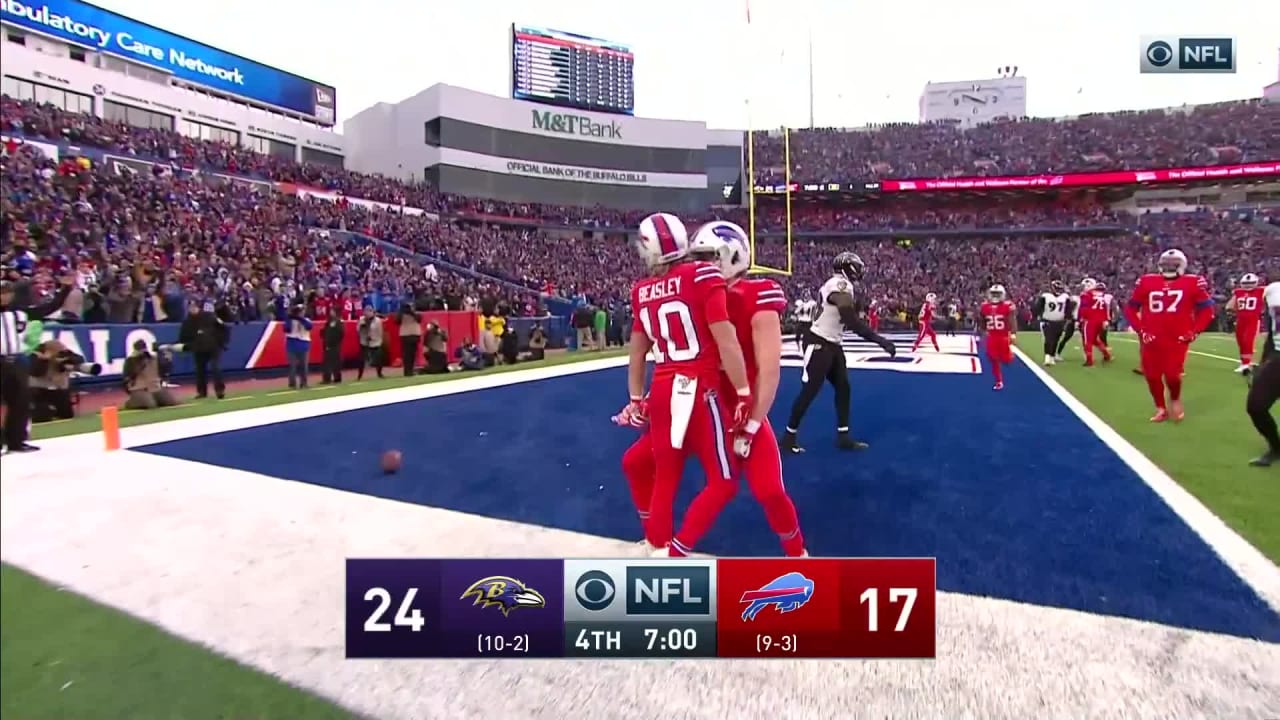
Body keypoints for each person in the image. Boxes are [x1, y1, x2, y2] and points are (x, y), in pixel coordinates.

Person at [620, 222, 808, 558]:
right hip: (695, 402)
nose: (700, 263)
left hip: (735, 410)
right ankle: (657, 541)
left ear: (731, 254)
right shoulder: (694, 285)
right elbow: (674, 351)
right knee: (636, 463)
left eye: (707, 256)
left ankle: (797, 553)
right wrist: (645, 400)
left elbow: (769, 371)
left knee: (769, 491)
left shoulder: (756, 294)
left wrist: (750, 425)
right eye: (697, 256)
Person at [619, 212, 752, 557]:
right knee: (723, 480)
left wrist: (635, 399)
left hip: (662, 389)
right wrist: (742, 391)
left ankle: (656, 544)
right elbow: (727, 341)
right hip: (698, 389)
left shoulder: (641, 290)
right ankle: (678, 551)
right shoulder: (702, 275)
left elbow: (637, 354)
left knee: (665, 476)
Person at [781, 252, 896, 454]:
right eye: (856, 267)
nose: (859, 271)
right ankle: (788, 437)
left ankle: (843, 436)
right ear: (847, 268)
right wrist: (880, 340)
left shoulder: (840, 285)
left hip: (832, 342)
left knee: (843, 387)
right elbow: (849, 319)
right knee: (810, 391)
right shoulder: (839, 285)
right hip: (819, 342)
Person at [1123, 249, 1215, 422]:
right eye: (1166, 263)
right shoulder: (1147, 281)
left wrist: (1194, 332)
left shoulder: (1193, 282)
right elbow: (1130, 308)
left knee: (1173, 375)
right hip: (1151, 336)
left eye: (1173, 264)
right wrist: (1140, 330)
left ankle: (1174, 398)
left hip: (1177, 337)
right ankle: (1160, 408)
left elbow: (1207, 310)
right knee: (1151, 375)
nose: (1169, 267)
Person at [1, 274, 73, 452]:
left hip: (16, 361)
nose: (5, 296)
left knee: (20, 403)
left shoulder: (20, 312)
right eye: (2, 292)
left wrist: (65, 290)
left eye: (7, 293)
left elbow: (49, 308)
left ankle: (16, 442)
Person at [1246, 281, 1280, 466]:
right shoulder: (1273, 290)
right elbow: (1273, 331)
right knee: (1256, 406)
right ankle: (1276, 448)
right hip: (1278, 356)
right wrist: (1263, 364)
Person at [178, 301, 228, 399]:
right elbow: (183, 337)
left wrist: (222, 343)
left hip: (213, 347)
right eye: (190, 307)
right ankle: (202, 392)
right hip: (199, 349)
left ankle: (219, 390)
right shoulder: (187, 322)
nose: (192, 309)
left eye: (194, 307)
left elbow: (223, 328)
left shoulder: (209, 316)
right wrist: (187, 347)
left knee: (215, 367)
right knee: (200, 371)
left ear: (198, 307)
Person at [978, 284, 1018, 391]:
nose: (995, 296)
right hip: (992, 336)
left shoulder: (1007, 306)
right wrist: (982, 332)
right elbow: (982, 321)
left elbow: (1012, 320)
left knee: (1007, 360)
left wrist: (1013, 333)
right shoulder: (984, 306)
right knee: (993, 359)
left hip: (1003, 336)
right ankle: (999, 381)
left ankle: (1010, 356)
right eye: (993, 294)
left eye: (997, 294)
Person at [1227, 273, 1265, 373]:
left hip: (1253, 320)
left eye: (1251, 283)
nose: (1248, 285)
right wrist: (1231, 311)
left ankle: (1246, 364)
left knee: (1247, 340)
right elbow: (1230, 305)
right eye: (1246, 283)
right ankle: (1244, 362)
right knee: (1241, 341)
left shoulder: (1261, 291)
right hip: (1240, 320)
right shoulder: (1238, 292)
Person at [1034, 280, 1073, 366]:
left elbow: (1068, 309)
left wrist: (1068, 319)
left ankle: (1051, 356)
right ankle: (1047, 357)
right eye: (1056, 288)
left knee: (1055, 339)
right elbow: (1038, 307)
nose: (1058, 290)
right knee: (1048, 339)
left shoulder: (1065, 297)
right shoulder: (1046, 296)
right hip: (1047, 321)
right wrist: (1037, 316)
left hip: (1059, 322)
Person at [1078, 278, 1113, 366]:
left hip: (1090, 320)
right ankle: (1107, 355)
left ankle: (1089, 360)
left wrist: (1080, 318)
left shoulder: (1086, 295)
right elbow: (1104, 308)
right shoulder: (1101, 295)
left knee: (1087, 340)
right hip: (1100, 320)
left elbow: (1083, 308)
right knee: (1094, 340)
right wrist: (1105, 320)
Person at [284, 303, 313, 389]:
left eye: (302, 311)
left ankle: (303, 383)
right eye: (300, 311)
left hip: (304, 344)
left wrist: (300, 319)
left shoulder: (306, 320)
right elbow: (286, 329)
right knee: (292, 366)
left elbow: (309, 327)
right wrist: (290, 318)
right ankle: (292, 383)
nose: (302, 313)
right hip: (292, 344)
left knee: (304, 366)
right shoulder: (290, 320)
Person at [355, 306, 384, 380]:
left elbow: (380, 332)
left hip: (375, 342)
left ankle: (379, 373)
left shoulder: (377, 320)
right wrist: (361, 327)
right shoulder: (362, 319)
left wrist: (377, 339)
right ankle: (359, 375)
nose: (367, 313)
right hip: (364, 342)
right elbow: (357, 330)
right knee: (361, 360)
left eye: (368, 311)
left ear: (372, 312)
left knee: (379, 359)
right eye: (365, 311)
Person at [320, 306, 345, 384]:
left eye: (332, 311)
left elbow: (341, 333)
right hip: (327, 344)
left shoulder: (339, 321)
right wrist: (323, 335)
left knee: (335, 362)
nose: (330, 312)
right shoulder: (329, 321)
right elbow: (325, 331)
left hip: (334, 345)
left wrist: (333, 342)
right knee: (326, 362)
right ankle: (326, 378)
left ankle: (337, 378)